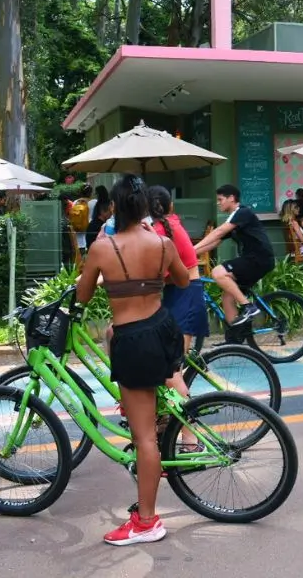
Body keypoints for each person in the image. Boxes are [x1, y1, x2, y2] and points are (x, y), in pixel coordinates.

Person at [77, 175, 189, 545]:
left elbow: (82, 295)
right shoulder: (162, 243)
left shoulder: (102, 247)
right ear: (144, 208)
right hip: (163, 330)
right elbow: (183, 280)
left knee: (144, 439)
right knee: (150, 421)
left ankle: (146, 522)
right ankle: (168, 427)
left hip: (133, 340)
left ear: (113, 208)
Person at [193, 185, 276, 332]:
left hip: (259, 259)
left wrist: (192, 249)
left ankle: (248, 306)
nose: (218, 203)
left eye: (220, 199)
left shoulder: (242, 212)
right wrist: (190, 254)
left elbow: (218, 232)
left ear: (231, 198)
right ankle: (235, 337)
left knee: (218, 272)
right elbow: (215, 242)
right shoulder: (235, 220)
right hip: (253, 260)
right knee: (228, 297)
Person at [148, 186, 207, 353]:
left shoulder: (161, 230)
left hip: (185, 293)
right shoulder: (169, 223)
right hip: (181, 290)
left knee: (177, 358)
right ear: (171, 206)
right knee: (170, 353)